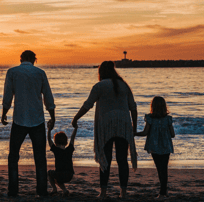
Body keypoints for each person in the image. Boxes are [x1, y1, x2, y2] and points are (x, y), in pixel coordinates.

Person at [71, 61, 138, 199]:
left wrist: (76, 118)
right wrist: (134, 127)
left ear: (101, 72)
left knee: (105, 159)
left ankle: (103, 192)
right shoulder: (124, 85)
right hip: (123, 125)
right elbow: (133, 107)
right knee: (122, 160)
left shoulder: (99, 86)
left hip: (106, 126)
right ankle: (123, 192)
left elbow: (87, 105)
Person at [1, 50, 55, 197]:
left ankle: (13, 191)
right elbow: (48, 96)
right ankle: (42, 191)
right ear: (34, 59)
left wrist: (4, 113)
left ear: (21, 59)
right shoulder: (40, 73)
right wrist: (52, 115)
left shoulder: (12, 72)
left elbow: (7, 95)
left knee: (13, 156)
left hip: (19, 119)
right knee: (40, 157)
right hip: (37, 119)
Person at [135, 96, 175, 198]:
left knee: (159, 169)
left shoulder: (150, 118)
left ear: (152, 106)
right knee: (164, 168)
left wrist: (134, 133)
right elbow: (173, 134)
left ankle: (162, 193)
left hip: (154, 146)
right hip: (166, 146)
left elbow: (145, 132)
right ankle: (164, 191)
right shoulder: (168, 119)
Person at [47, 125, 77, 196]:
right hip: (70, 175)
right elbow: (72, 138)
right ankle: (65, 190)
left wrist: (49, 130)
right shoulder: (69, 149)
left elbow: (49, 140)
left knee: (49, 173)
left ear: (55, 143)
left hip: (60, 174)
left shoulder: (56, 150)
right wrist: (75, 128)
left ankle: (54, 189)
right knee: (57, 179)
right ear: (66, 142)